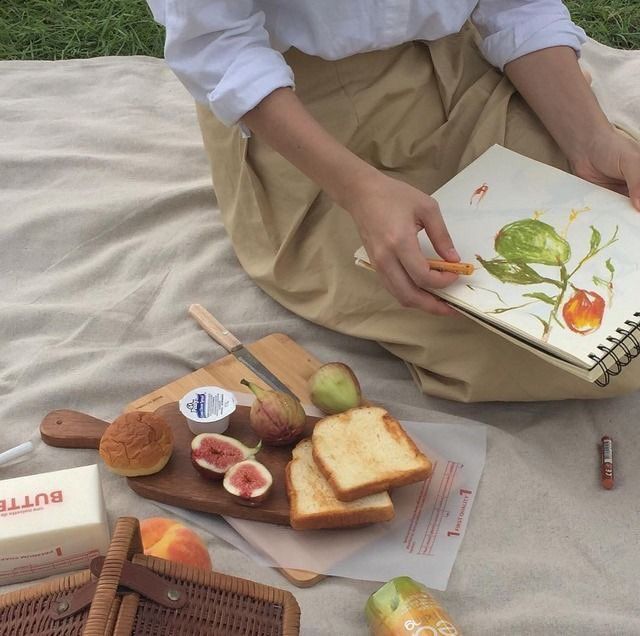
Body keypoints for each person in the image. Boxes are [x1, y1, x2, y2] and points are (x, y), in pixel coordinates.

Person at [147, 1, 640, 402]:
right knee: (584, 357)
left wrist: (590, 138)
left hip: (458, 66)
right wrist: (359, 191)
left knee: (623, 279)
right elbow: (217, 45)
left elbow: (515, 4)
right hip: (300, 113)